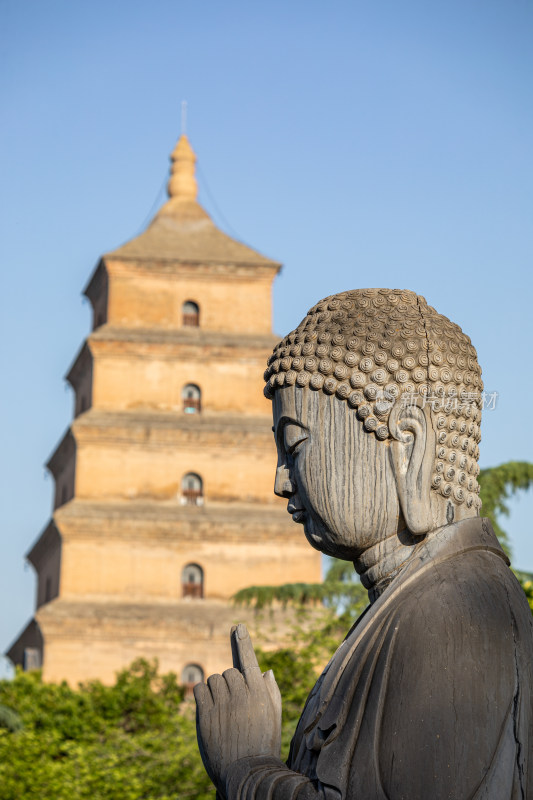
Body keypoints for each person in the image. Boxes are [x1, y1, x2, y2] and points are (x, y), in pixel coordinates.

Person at [195, 289, 533, 799]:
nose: (281, 481)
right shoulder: (402, 609)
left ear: (409, 443)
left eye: (296, 446)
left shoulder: (458, 607)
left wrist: (247, 766)